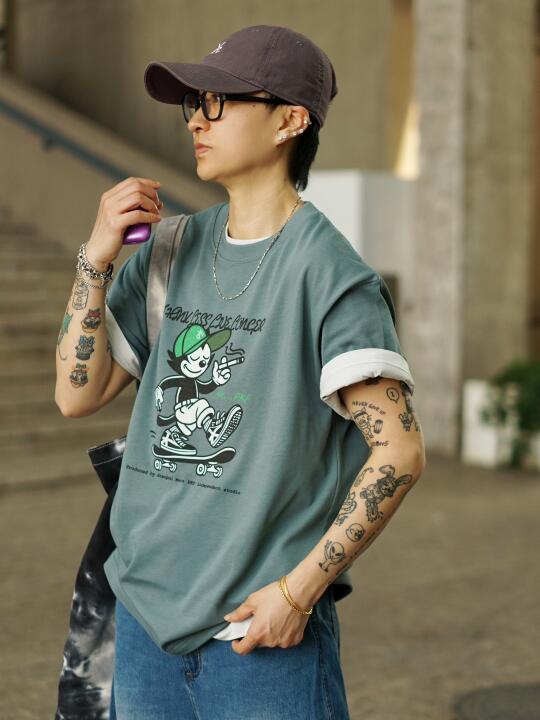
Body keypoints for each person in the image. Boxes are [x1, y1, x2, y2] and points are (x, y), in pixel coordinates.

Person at [56, 23, 426, 720]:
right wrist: (96, 260)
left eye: (219, 101)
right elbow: (77, 396)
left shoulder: (329, 275)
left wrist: (298, 593)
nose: (197, 119)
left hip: (257, 638)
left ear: (291, 121)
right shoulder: (169, 251)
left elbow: (399, 451)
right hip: (143, 621)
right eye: (193, 103)